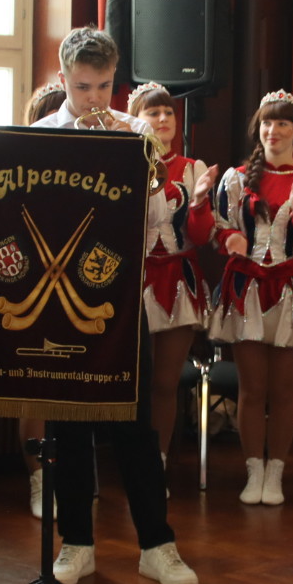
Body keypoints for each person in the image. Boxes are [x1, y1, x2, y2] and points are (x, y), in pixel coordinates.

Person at [31, 26, 198, 584]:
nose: (95, 100)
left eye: (104, 87)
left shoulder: (135, 132)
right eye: (82, 88)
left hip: (120, 296)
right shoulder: (41, 134)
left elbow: (154, 221)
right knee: (67, 427)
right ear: (62, 81)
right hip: (58, 299)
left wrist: (136, 158)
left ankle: (157, 545)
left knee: (136, 425)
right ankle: (76, 543)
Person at [206, 89, 293, 506]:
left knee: (283, 390)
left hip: (292, 294)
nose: (273, 130)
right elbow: (217, 226)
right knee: (251, 388)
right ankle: (253, 470)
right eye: (266, 122)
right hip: (246, 290)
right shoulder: (236, 177)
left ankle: (275, 471)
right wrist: (230, 238)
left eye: (282, 123)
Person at [129, 82, 216, 468]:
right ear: (136, 119)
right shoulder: (125, 161)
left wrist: (198, 206)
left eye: (168, 113)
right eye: (153, 113)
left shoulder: (192, 168)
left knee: (165, 384)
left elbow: (200, 236)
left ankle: (156, 463)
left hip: (180, 280)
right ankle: (130, 462)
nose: (163, 120)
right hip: (134, 281)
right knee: (132, 385)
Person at [18, 82, 66, 519]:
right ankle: (39, 481)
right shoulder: (20, 165)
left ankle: (68, 478)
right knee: (35, 390)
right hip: (30, 286)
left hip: (74, 289)